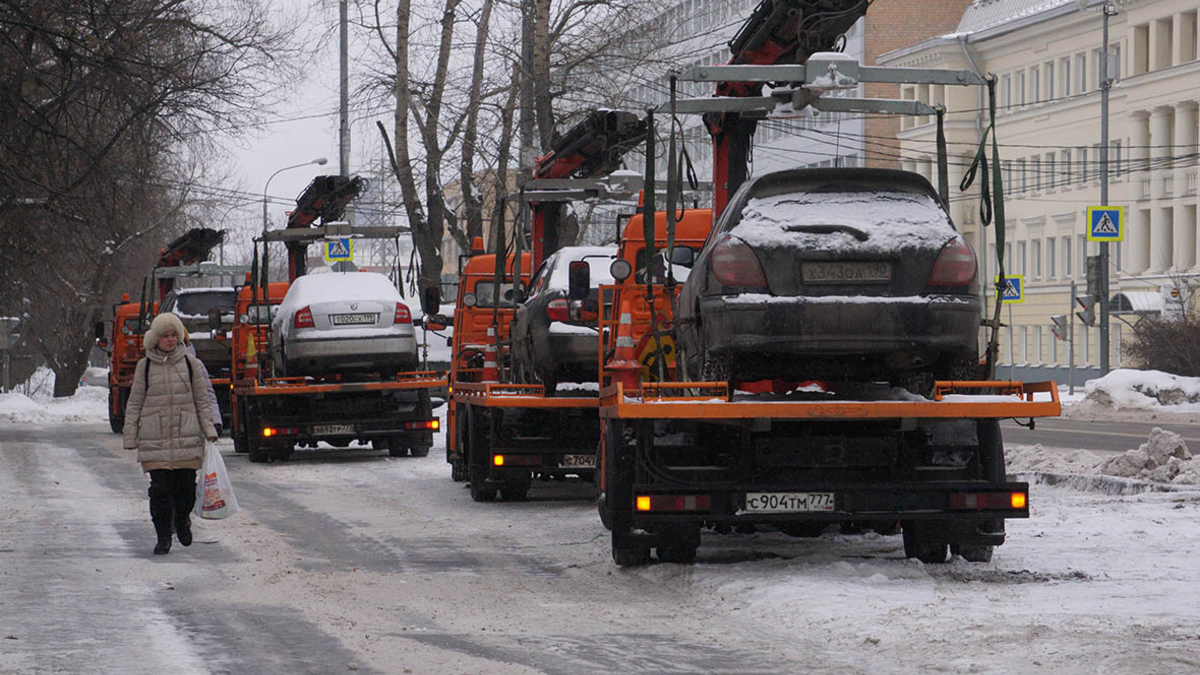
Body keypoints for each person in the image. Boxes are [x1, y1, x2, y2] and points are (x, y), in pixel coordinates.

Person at [122, 312, 218, 555]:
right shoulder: (144, 367)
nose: (171, 340)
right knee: (160, 491)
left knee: (186, 488)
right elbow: (134, 403)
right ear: (155, 339)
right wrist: (130, 435)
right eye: (165, 336)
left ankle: (183, 519)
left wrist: (210, 429)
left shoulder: (190, 364)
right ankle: (163, 535)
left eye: (174, 335)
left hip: (186, 435)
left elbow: (202, 399)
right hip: (155, 439)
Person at [183, 336, 223, 437]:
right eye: (165, 336)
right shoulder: (150, 365)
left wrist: (215, 420)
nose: (170, 340)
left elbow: (207, 396)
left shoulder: (195, 365)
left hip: (191, 429)